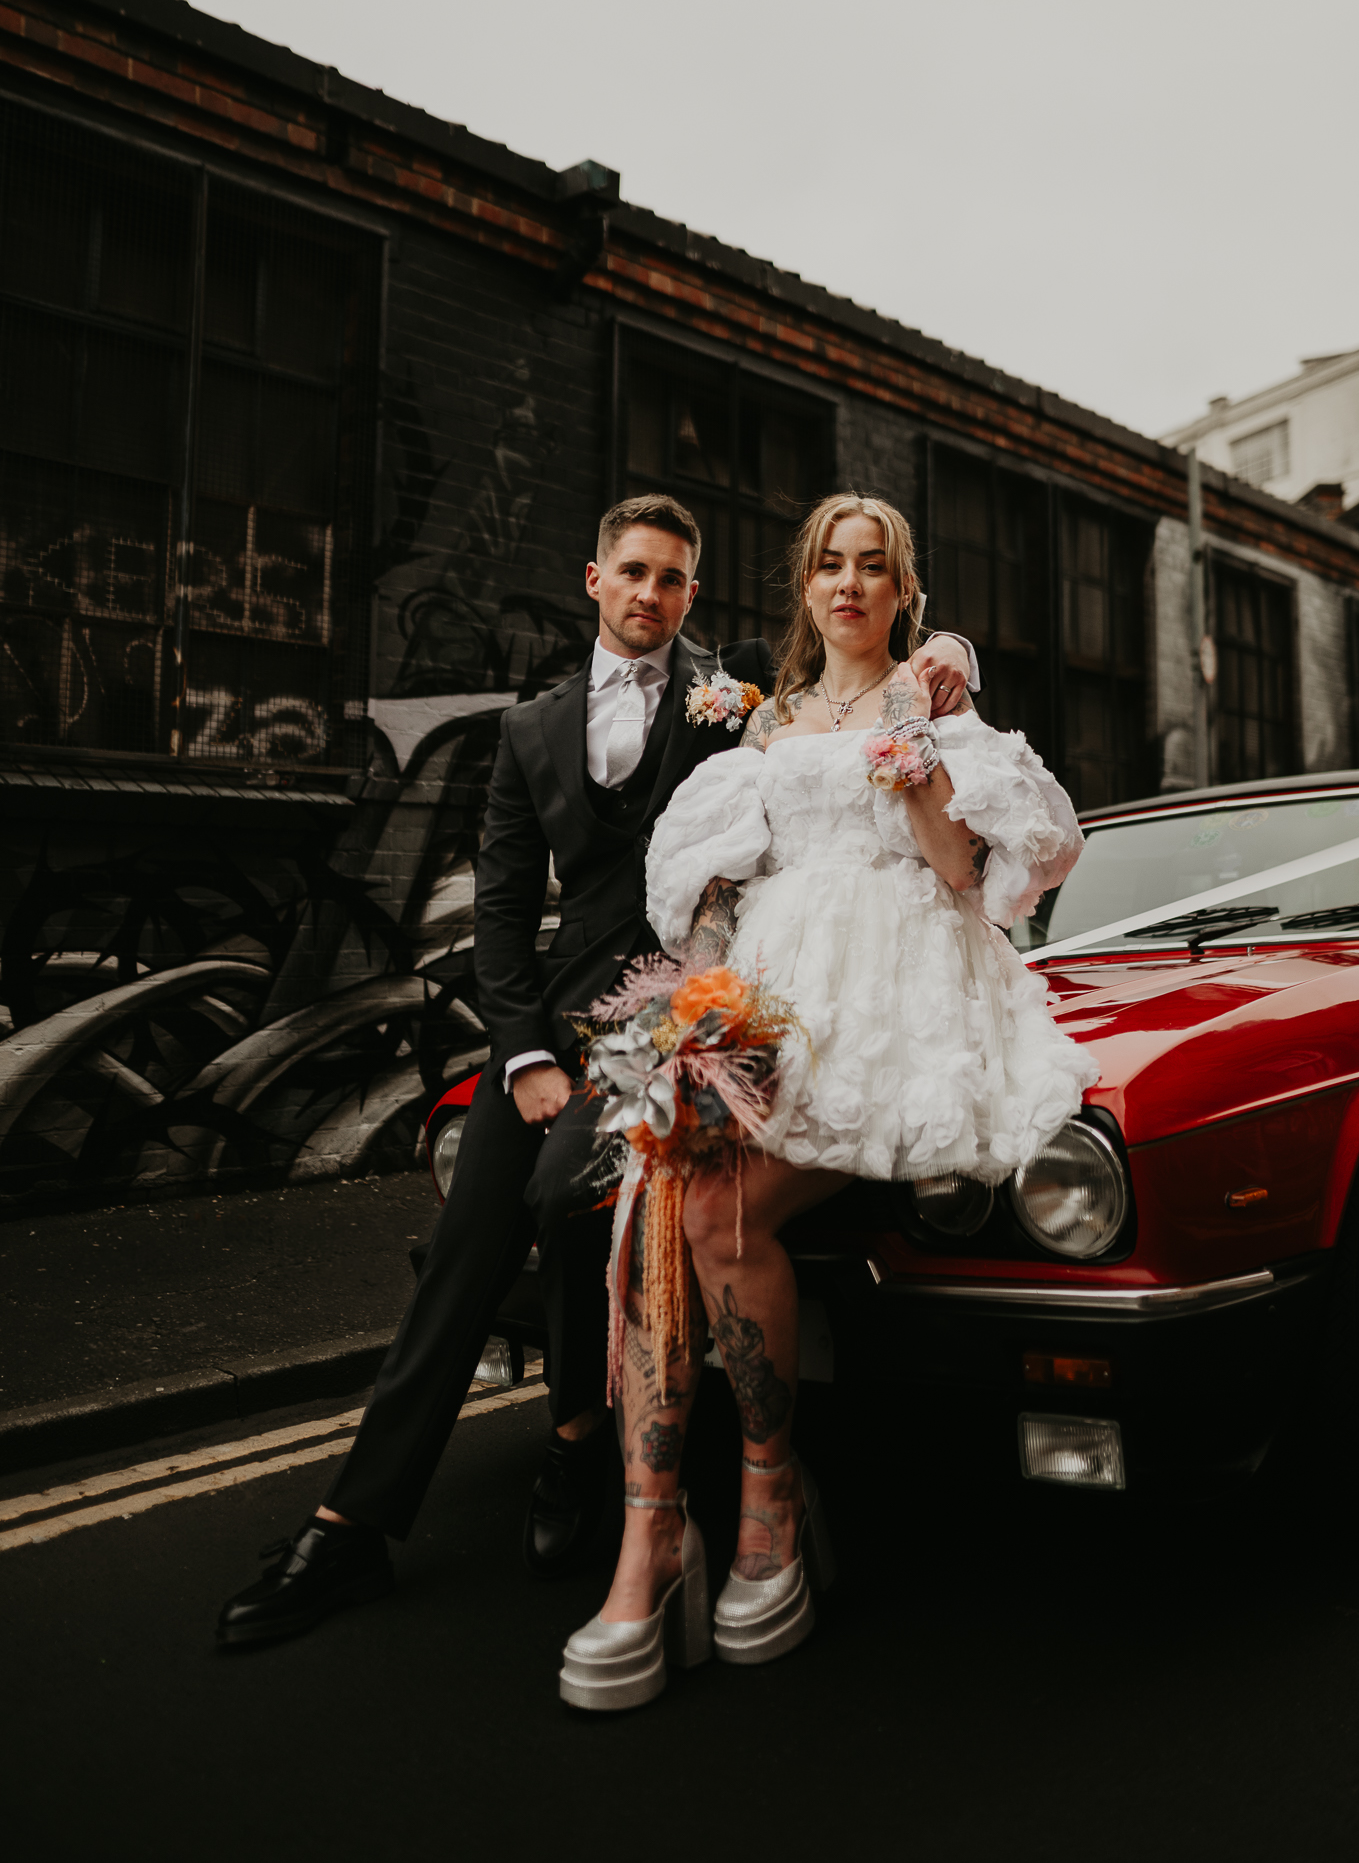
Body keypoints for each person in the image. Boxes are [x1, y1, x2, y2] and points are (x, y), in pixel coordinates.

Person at [217, 494, 977, 1646]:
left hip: (681, 1011)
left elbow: (861, 654)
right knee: (466, 1246)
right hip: (554, 1022)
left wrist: (952, 648)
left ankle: (578, 1443)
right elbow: (505, 909)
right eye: (633, 573)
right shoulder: (530, 730)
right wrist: (523, 1052)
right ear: (595, 579)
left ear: (693, 594)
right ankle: (351, 1526)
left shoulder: (739, 694)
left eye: (672, 579)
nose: (650, 594)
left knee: (568, 1194)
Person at [558, 492, 1094, 1711]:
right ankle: (652, 1533)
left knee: (721, 1212)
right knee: (656, 1205)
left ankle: (769, 1496)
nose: (849, 583)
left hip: (896, 996)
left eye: (873, 566)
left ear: (904, 589)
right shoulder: (769, 720)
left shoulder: (936, 703)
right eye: (829, 565)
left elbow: (963, 873)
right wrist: (692, 1017)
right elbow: (717, 887)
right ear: (804, 587)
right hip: (768, 996)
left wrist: (915, 746)